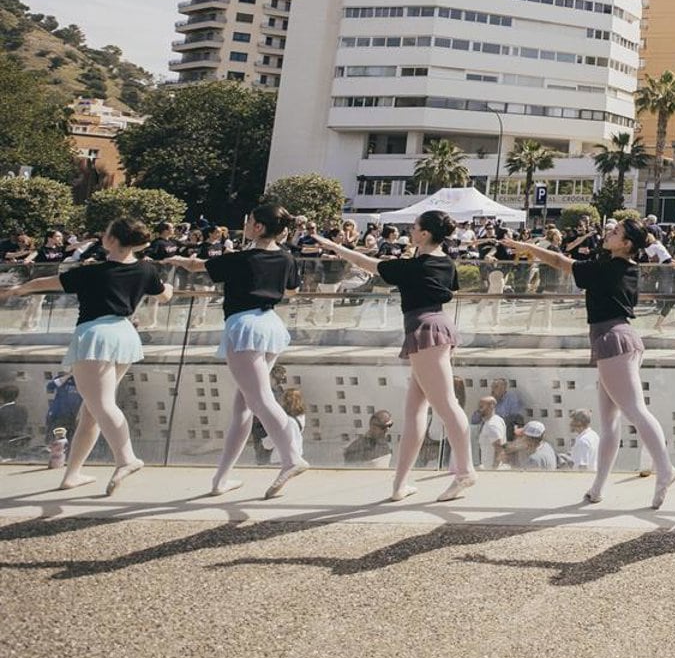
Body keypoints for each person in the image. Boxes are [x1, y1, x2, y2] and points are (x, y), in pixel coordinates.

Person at [501, 217, 675, 508]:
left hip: (612, 340)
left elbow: (560, 261)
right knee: (611, 421)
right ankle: (597, 488)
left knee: (634, 410)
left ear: (626, 244)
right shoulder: (628, 268)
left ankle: (666, 469)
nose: (610, 233)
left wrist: (524, 246)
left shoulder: (609, 268)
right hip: (619, 340)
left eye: (616, 232)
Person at [2, 217, 171, 494]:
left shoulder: (93, 272)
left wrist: (18, 289)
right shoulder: (146, 270)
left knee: (101, 405)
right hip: (124, 335)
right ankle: (73, 474)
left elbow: (49, 281)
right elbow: (163, 295)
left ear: (112, 240)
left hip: (96, 336)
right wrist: (170, 289)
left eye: (105, 232)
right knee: (91, 411)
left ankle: (127, 458)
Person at [316, 211, 476, 503]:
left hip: (425, 330)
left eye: (415, 228)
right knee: (416, 409)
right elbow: (448, 289)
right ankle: (399, 484)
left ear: (425, 234)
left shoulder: (415, 266)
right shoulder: (445, 262)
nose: (411, 231)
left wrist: (338, 248)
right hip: (436, 327)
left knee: (445, 404)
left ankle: (465, 472)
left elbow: (372, 265)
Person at [162, 204, 310, 499]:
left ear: (258, 228)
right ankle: (221, 478)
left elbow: (200, 267)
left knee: (258, 400)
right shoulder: (286, 257)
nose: (247, 224)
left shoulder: (241, 258)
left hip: (245, 326)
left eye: (250, 220)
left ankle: (291, 456)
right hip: (270, 324)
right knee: (243, 407)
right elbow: (292, 291)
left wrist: (178, 259)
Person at [472, 396, 507, 470]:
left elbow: (499, 449)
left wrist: (493, 470)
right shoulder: (497, 419)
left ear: (492, 406)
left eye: (482, 407)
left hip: (492, 469)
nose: (479, 410)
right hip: (489, 467)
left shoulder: (492, 425)